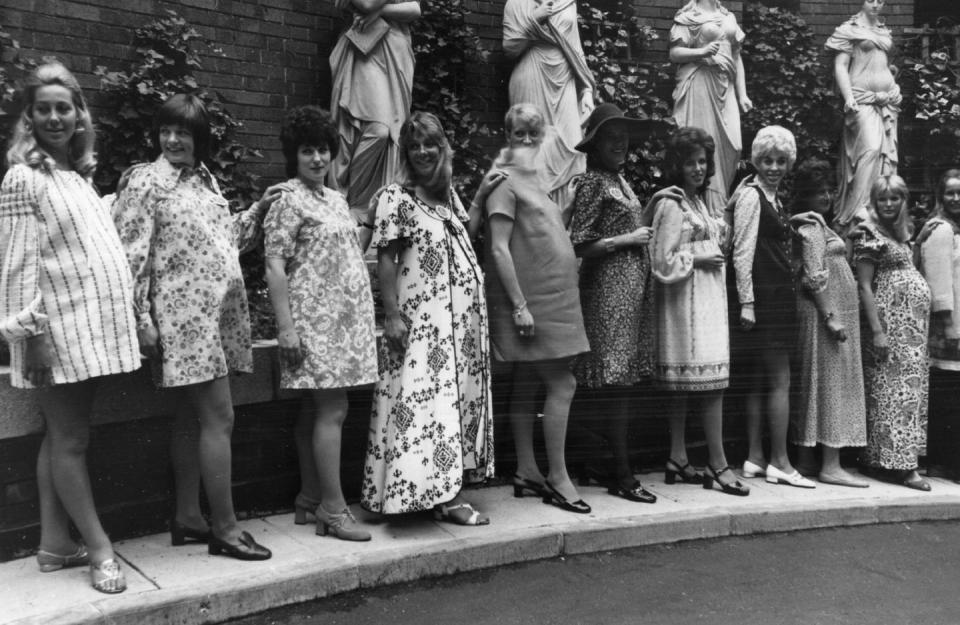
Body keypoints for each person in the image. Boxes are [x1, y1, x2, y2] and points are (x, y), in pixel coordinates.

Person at [113, 94, 282, 560]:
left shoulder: (205, 182)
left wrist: (260, 210)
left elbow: (229, 242)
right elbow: (131, 255)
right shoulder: (146, 182)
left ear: (199, 139)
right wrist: (140, 320)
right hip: (182, 322)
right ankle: (225, 530)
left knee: (192, 418)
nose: (172, 140)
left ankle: (189, 516)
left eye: (183, 132)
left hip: (214, 319)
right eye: (166, 130)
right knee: (219, 417)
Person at [0, 63, 140, 593]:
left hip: (87, 333)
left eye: (65, 107)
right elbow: (16, 265)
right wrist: (29, 335)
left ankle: (55, 543)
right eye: (44, 109)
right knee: (71, 440)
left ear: (79, 113)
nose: (55, 117)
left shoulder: (75, 176)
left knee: (61, 438)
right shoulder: (23, 177)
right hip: (53, 335)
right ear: (29, 118)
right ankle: (100, 548)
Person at [362, 111, 498, 524]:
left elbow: (463, 236)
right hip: (423, 325)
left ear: (443, 149)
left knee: (445, 405)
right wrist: (392, 316)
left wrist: (478, 198)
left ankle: (441, 493)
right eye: (414, 145)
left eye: (430, 144)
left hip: (458, 328)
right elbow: (385, 258)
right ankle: (440, 498)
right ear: (406, 152)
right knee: (425, 404)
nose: (422, 152)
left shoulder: (445, 197)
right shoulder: (395, 198)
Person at [263, 106, 378, 541]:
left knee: (318, 408)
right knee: (333, 408)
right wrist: (286, 328)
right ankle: (332, 509)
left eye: (323, 150)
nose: (316, 159)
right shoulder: (286, 200)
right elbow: (274, 268)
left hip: (345, 323)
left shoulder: (335, 199)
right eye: (308, 150)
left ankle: (310, 497)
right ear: (294, 155)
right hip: (314, 322)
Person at [569, 103, 679, 503]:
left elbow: (631, 226)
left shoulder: (619, 180)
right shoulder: (594, 183)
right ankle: (621, 473)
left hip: (630, 294)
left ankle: (605, 464)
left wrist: (653, 203)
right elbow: (579, 242)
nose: (619, 144)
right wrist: (626, 242)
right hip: (607, 294)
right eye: (610, 137)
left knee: (622, 382)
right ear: (595, 144)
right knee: (616, 385)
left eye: (623, 137)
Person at [485, 103, 590, 513]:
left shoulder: (535, 180)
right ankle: (558, 477)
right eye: (518, 135)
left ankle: (528, 471)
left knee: (528, 382)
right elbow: (497, 247)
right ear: (508, 137)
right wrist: (519, 307)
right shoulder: (503, 181)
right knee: (563, 384)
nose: (526, 142)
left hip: (552, 299)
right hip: (532, 304)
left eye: (533, 134)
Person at [650, 126, 749, 497]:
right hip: (685, 306)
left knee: (699, 386)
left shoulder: (700, 203)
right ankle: (717, 463)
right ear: (677, 165)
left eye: (702, 161)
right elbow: (661, 262)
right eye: (689, 161)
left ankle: (677, 457)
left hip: (707, 303)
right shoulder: (671, 203)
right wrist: (699, 257)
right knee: (710, 387)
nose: (697, 168)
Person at [730, 126, 814, 488]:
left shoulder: (772, 197)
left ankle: (755, 457)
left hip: (772, 296)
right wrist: (747, 302)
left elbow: (767, 234)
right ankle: (780, 462)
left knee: (761, 381)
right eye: (768, 160)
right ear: (756, 160)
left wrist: (791, 222)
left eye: (781, 160)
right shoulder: (751, 195)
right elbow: (742, 251)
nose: (775, 167)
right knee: (780, 381)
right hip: (766, 299)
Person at [789, 159, 868, 487]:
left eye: (829, 190)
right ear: (805, 195)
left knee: (818, 384)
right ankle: (831, 465)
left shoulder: (819, 225)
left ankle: (808, 458)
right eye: (818, 191)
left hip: (825, 314)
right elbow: (814, 276)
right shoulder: (810, 227)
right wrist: (832, 319)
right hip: (824, 317)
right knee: (831, 385)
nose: (826, 195)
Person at [854, 175, 931, 490]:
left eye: (894, 199)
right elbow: (863, 286)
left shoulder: (901, 233)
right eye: (882, 199)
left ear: (903, 201)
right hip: (891, 326)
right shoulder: (868, 234)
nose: (888, 204)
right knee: (891, 393)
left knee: (907, 393)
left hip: (913, 329)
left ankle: (892, 461)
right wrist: (877, 332)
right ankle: (900, 466)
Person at [329, 0, 421, 221]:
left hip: (396, 50)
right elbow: (366, 4)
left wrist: (382, 10)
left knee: (391, 134)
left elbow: (415, 9)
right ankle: (356, 205)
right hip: (364, 50)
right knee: (377, 130)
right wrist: (377, 9)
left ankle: (372, 210)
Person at [503, 0, 596, 202]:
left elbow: (575, 48)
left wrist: (587, 88)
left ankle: (569, 227)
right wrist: (534, 18)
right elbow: (510, 47)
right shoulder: (516, 3)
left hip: (565, 79)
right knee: (534, 153)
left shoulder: (567, 2)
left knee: (575, 151)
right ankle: (534, 224)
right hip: (532, 73)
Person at [669, 0, 752, 216]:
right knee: (700, 145)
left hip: (726, 86)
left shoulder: (728, 16)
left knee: (734, 146)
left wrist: (742, 94)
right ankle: (702, 210)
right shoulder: (687, 17)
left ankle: (719, 205)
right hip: (700, 82)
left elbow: (736, 56)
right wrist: (702, 52)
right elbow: (675, 53)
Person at [826, 0, 901, 229]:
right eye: (871, 0)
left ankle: (882, 215)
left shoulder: (882, 30)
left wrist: (893, 84)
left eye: (880, 0)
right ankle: (858, 214)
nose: (876, 4)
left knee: (884, 158)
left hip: (887, 102)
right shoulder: (849, 29)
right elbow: (841, 66)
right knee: (869, 150)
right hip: (861, 100)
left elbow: (884, 64)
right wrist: (848, 96)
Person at [919, 169, 960, 483]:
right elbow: (939, 283)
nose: (956, 199)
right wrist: (948, 327)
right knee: (948, 397)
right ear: (940, 196)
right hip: (950, 328)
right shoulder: (940, 229)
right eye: (950, 193)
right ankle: (941, 463)